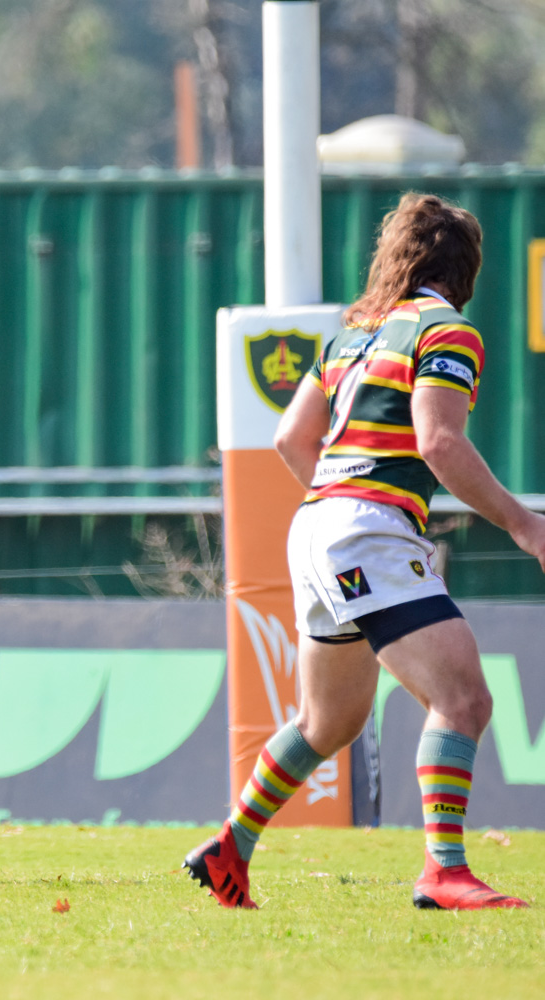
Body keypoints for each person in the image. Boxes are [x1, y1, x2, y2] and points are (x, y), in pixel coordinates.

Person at [185, 194, 541, 911]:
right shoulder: (447, 331)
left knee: (329, 722)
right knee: (463, 698)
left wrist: (341, 499)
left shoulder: (352, 336)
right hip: (364, 529)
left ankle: (231, 846)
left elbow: (291, 440)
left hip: (315, 521)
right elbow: (440, 442)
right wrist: (523, 524)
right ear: (464, 269)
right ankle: (444, 870)